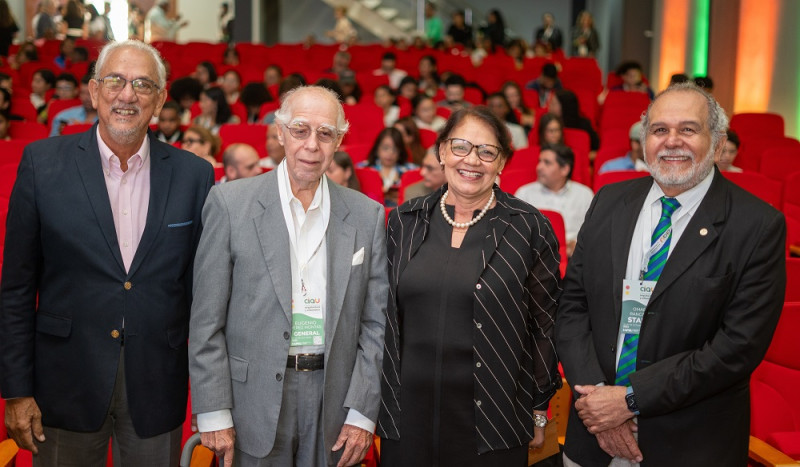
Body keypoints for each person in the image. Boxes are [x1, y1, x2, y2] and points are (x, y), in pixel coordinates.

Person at [0, 39, 214, 466]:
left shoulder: (195, 175)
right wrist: (17, 391)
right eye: (115, 80)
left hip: (157, 385)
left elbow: (204, 296)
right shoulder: (42, 164)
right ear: (94, 91)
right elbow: (17, 289)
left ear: (161, 98)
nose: (127, 95)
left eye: (143, 84)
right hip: (64, 385)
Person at [556, 83, 786, 466]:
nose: (671, 141)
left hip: (689, 443)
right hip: (592, 433)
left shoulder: (758, 226)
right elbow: (572, 308)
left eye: (688, 129)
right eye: (659, 129)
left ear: (717, 143)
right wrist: (599, 400)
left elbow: (737, 348)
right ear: (644, 140)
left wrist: (630, 399)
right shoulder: (609, 201)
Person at [189, 85, 388, 467]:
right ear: (279, 133)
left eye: (325, 133)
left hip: (335, 400)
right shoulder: (230, 204)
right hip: (252, 401)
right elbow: (206, 320)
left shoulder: (367, 215)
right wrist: (214, 411)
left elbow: (375, 326)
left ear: (339, 141)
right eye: (300, 129)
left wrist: (362, 413)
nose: (312, 145)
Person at [378, 106, 562, 465]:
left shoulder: (529, 228)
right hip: (407, 416)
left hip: (495, 416)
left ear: (501, 163)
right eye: (460, 146)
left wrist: (540, 406)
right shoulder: (404, 220)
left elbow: (547, 325)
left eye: (486, 151)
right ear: (442, 152)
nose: (472, 160)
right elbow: (383, 317)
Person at [515, 143, 593, 257]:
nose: (539, 167)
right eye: (539, 161)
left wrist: (578, 244)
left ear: (565, 169)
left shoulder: (584, 194)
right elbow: (516, 233)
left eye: (547, 163)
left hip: (575, 257)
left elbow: (592, 232)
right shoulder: (524, 193)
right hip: (535, 257)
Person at [357, 127, 417, 206]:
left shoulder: (412, 170)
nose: (390, 153)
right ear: (377, 148)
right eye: (385, 148)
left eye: (395, 149)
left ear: (400, 152)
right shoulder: (362, 169)